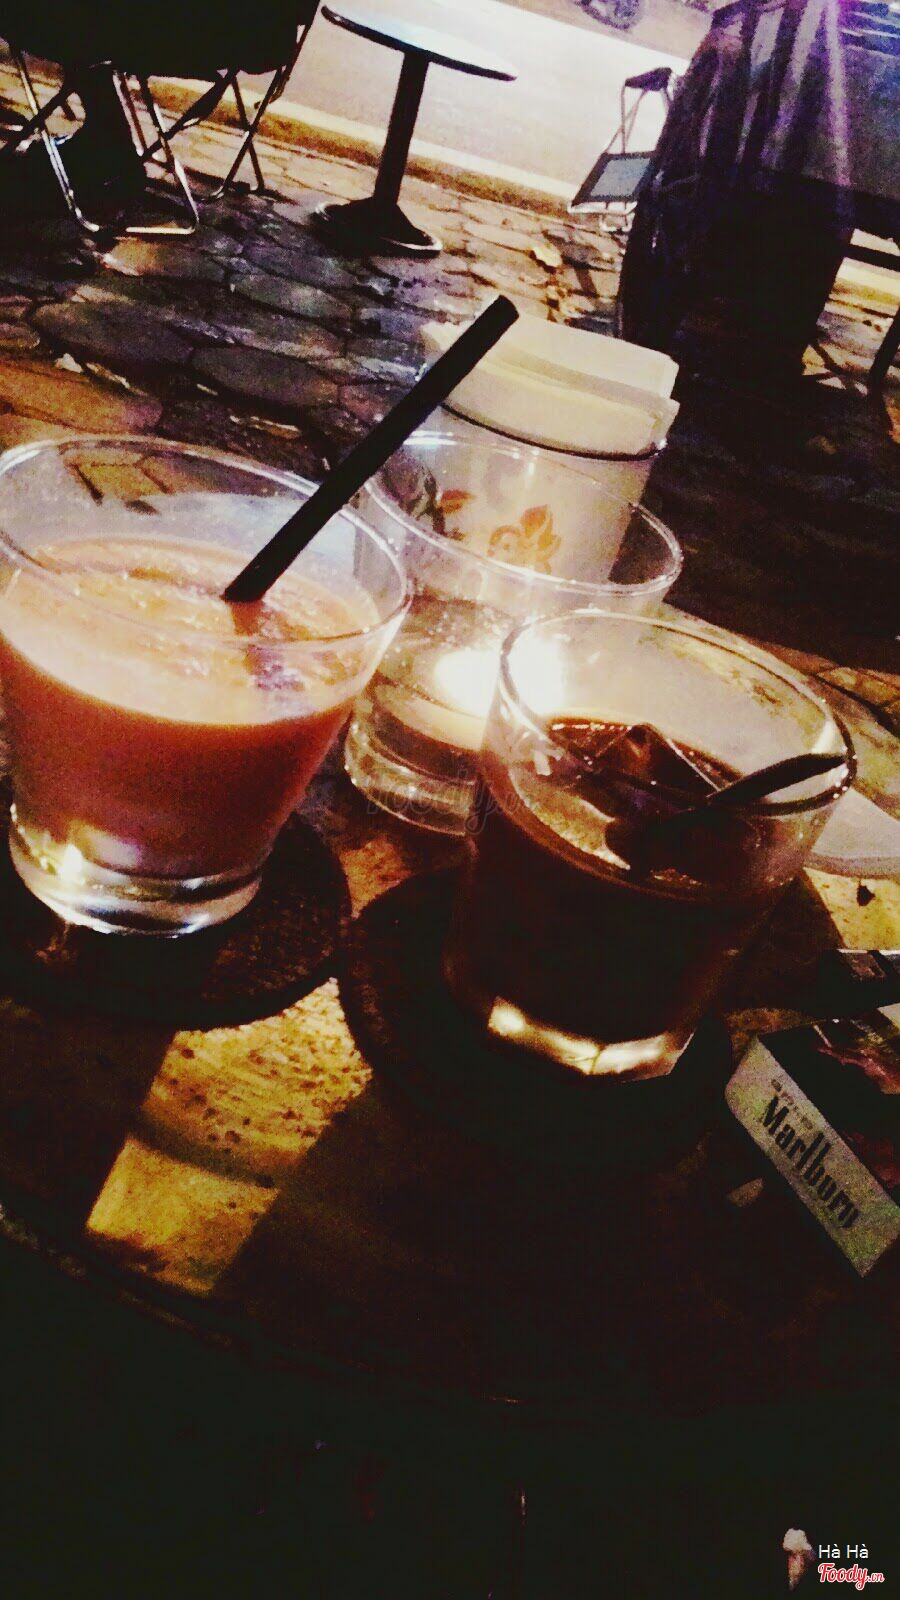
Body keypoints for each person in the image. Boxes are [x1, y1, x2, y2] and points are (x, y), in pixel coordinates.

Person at [0, 0, 301, 218]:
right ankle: (103, 137)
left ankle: (106, 139)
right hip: (246, 35)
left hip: (166, 30)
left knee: (68, 20)